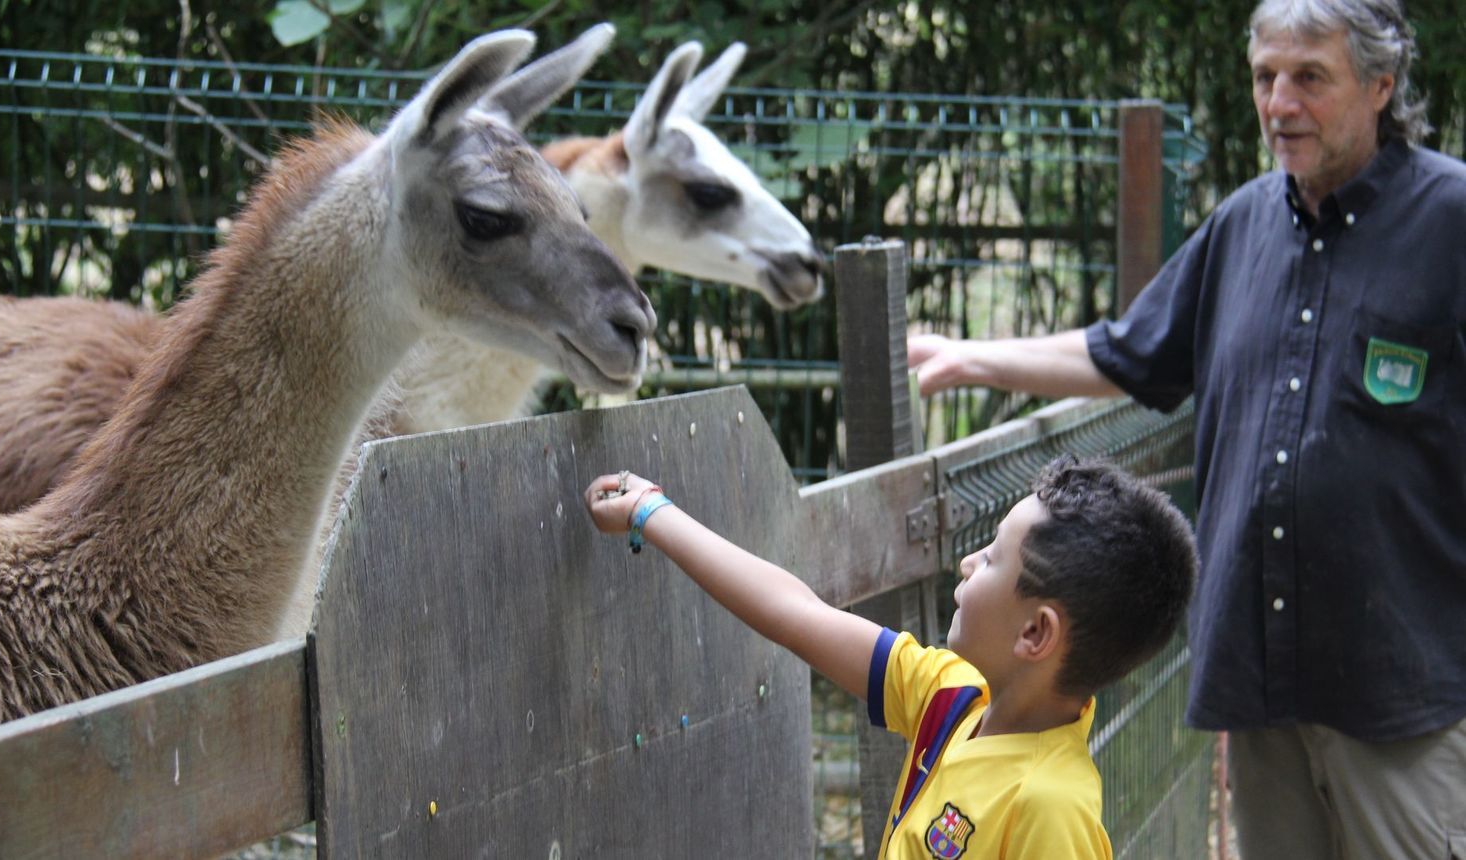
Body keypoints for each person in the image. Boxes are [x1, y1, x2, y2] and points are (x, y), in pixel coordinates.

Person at [907, 1, 1466, 857]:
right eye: (1265, 77)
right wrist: (976, 356)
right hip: (1259, 679)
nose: (1280, 103)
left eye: (1310, 77)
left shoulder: (1451, 220)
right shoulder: (1242, 225)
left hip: (1405, 691)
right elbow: (1127, 354)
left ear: (1381, 86)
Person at [583, 456, 1197, 859]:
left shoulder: (1049, 807)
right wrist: (651, 513)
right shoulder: (954, 696)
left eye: (991, 558)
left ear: (1035, 634)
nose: (966, 563)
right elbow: (796, 615)